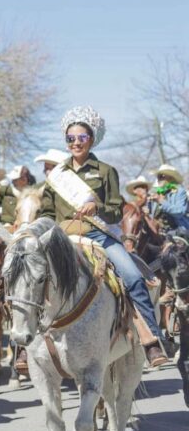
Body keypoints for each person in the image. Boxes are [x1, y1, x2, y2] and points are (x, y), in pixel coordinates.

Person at [38, 105, 168, 367]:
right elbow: (47, 212)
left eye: (82, 138)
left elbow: (115, 210)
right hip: (64, 238)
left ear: (91, 139)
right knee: (30, 272)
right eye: (70, 138)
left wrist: (96, 207)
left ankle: (152, 338)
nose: (76, 143)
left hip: (99, 235)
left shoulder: (106, 170)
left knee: (132, 276)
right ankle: (25, 343)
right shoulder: (56, 176)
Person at [151, 164, 189, 233]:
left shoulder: (179, 192)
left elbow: (180, 212)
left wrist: (162, 201)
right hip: (159, 231)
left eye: (162, 176)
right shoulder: (158, 194)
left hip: (177, 230)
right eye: (158, 177)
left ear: (171, 178)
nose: (159, 179)